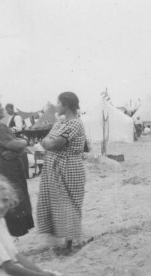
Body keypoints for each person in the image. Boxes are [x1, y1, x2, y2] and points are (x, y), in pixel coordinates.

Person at [0, 174, 151, 276]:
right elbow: (9, 267)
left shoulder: (1, 220)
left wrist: (42, 272)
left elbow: (16, 255)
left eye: (5, 200)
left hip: (11, 275)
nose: (2, 205)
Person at [36, 92, 86, 250]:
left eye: (59, 103)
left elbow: (53, 143)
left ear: (66, 105)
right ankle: (61, 241)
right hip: (53, 166)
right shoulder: (60, 123)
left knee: (69, 203)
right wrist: (47, 142)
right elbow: (47, 140)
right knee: (52, 202)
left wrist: (47, 142)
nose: (56, 106)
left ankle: (69, 244)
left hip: (68, 166)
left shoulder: (75, 124)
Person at [0, 98, 34, 237]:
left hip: (5, 172)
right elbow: (16, 145)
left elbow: (13, 147)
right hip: (7, 173)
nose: (2, 109)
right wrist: (25, 139)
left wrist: (16, 150)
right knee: (12, 202)